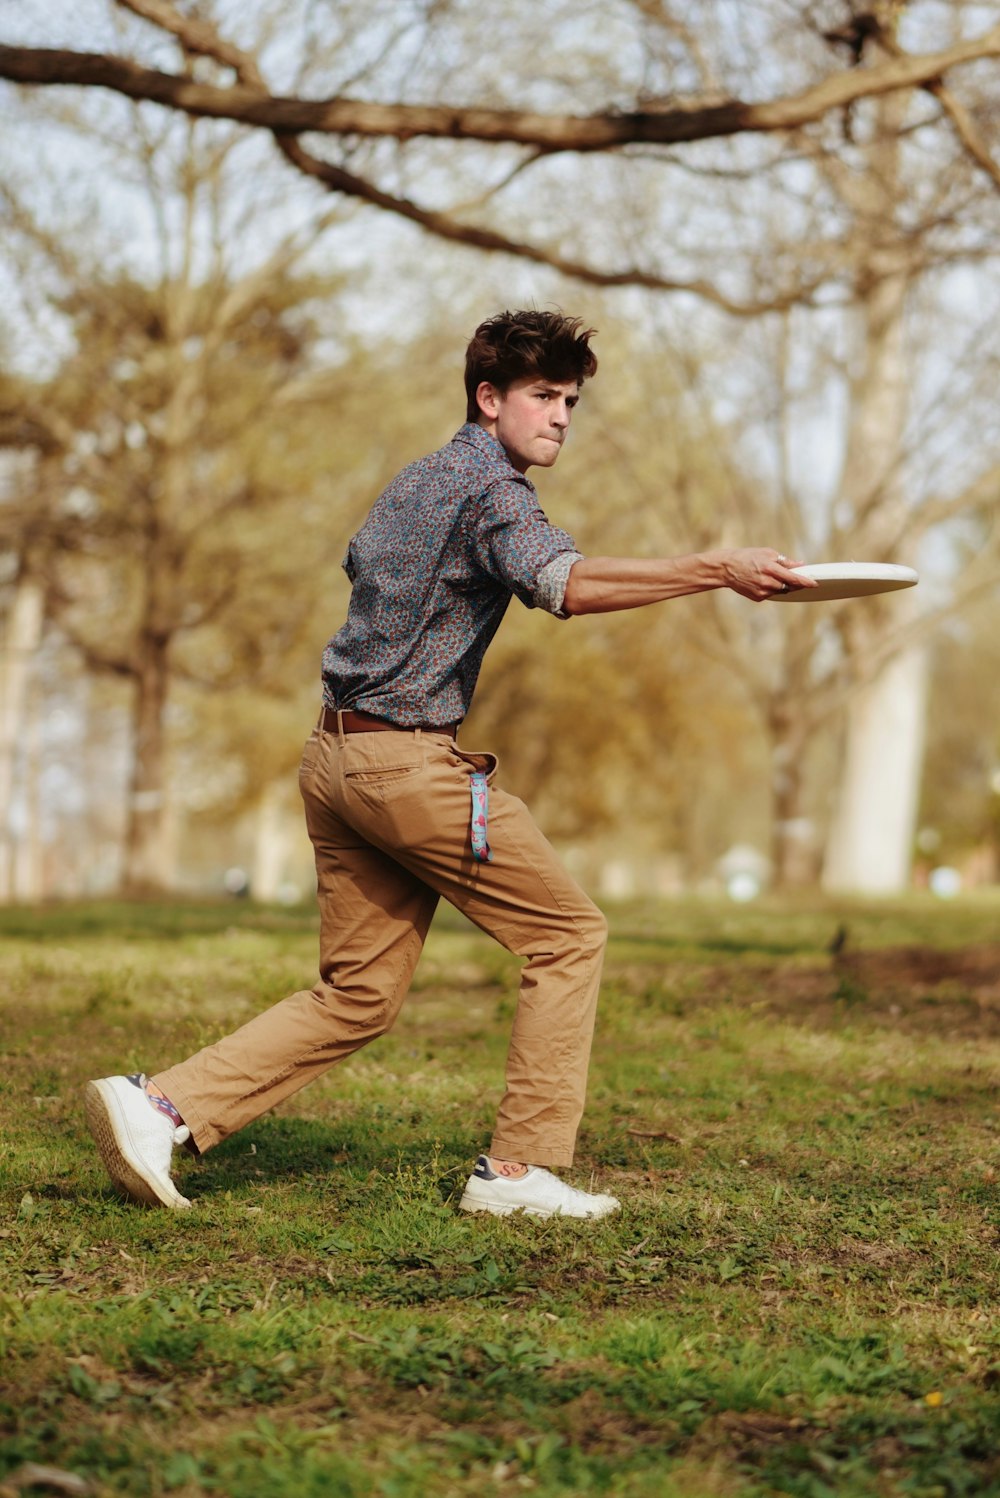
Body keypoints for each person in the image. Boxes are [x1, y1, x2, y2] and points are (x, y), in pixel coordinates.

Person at [85, 309, 812, 1220]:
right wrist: (715, 567)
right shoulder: (492, 491)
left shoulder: (416, 481)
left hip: (333, 758)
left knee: (360, 996)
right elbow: (565, 585)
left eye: (571, 400)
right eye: (543, 397)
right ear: (488, 397)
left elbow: (363, 566)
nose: (560, 417)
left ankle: (158, 1108)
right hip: (405, 772)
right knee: (568, 936)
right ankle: (517, 1174)